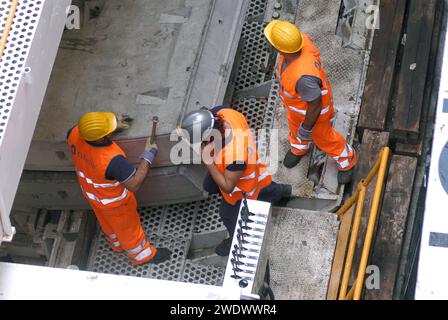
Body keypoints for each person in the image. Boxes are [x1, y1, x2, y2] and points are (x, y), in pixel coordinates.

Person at [179, 106, 292, 256]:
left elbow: (227, 187)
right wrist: (187, 129)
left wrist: (208, 161)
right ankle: (281, 191)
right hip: (246, 167)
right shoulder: (224, 113)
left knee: (227, 214)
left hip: (243, 185)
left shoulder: (235, 156)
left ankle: (235, 240)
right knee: (209, 185)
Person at [67, 112, 171, 265]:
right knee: (129, 231)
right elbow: (134, 184)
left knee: (108, 224)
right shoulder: (111, 160)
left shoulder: (74, 133)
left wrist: (113, 125)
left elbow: (89, 133)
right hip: (116, 205)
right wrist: (148, 156)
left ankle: (116, 245)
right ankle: (142, 255)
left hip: (93, 195)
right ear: (102, 137)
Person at [264, 20, 357, 184]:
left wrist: (306, 129)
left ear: (280, 48)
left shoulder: (304, 77)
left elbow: (315, 105)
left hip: (314, 116)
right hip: (297, 110)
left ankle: (347, 160)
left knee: (325, 139)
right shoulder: (298, 42)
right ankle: (299, 148)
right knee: (294, 129)